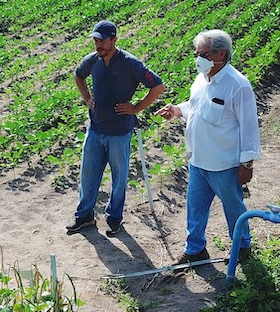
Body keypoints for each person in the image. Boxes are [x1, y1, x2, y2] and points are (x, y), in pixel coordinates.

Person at [155, 29, 260, 263]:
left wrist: (247, 163)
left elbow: (250, 128)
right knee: (195, 208)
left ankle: (242, 247)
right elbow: (195, 105)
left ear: (221, 54)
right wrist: (177, 110)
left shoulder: (238, 85)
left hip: (224, 163)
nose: (198, 58)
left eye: (203, 54)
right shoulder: (202, 79)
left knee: (233, 208)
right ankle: (194, 249)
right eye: (197, 53)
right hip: (199, 160)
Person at [66, 20, 166, 237]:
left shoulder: (130, 63)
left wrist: (136, 108)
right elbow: (78, 75)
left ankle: (114, 219)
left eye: (102, 40)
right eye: (95, 40)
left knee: (118, 178)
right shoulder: (93, 60)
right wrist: (87, 98)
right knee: (88, 175)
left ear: (114, 40)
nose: (98, 45)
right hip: (95, 129)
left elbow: (158, 86)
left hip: (119, 132)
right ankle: (84, 217)